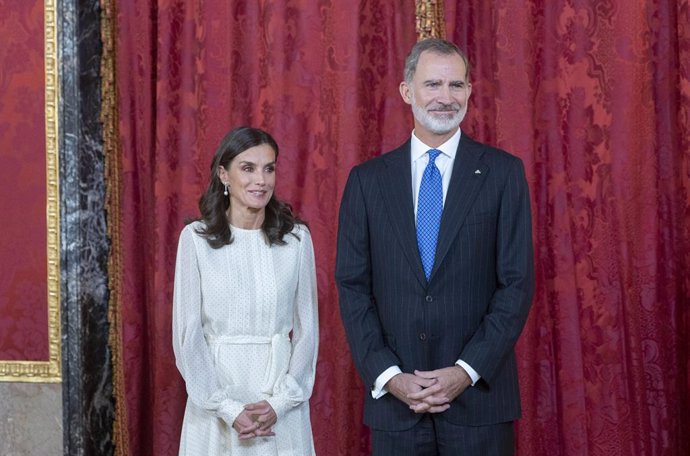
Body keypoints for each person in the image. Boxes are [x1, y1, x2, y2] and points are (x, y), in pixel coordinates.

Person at [335, 38, 534, 455]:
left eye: (456, 85)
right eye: (433, 85)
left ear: (469, 92)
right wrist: (389, 376)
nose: (446, 98)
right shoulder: (367, 181)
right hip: (396, 409)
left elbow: (516, 284)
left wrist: (466, 371)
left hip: (479, 404)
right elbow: (353, 286)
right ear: (407, 91)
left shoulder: (503, 173)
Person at [172, 126, 319, 455]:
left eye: (269, 168)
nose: (261, 180)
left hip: (279, 405)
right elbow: (188, 334)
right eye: (248, 168)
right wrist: (226, 408)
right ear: (224, 174)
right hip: (215, 402)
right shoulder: (196, 239)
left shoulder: (296, 240)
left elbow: (308, 331)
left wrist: (280, 403)